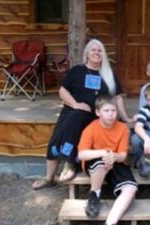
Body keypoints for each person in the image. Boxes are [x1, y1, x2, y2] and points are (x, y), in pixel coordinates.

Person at [32, 39, 133, 190]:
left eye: (100, 50)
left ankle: (70, 164)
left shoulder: (108, 74)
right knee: (61, 133)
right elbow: (62, 91)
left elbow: (117, 97)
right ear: (86, 54)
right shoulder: (77, 70)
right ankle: (50, 178)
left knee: (77, 118)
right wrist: (76, 105)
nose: (96, 53)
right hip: (72, 111)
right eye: (93, 50)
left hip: (97, 116)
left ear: (103, 55)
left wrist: (125, 118)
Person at [78, 95, 137, 225]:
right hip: (95, 162)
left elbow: (123, 155)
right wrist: (103, 152)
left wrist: (114, 156)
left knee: (130, 188)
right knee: (101, 162)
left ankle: (110, 222)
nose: (111, 114)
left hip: (115, 161)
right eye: (106, 111)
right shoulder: (91, 128)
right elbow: (81, 154)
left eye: (114, 110)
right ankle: (94, 194)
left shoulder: (122, 128)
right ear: (98, 112)